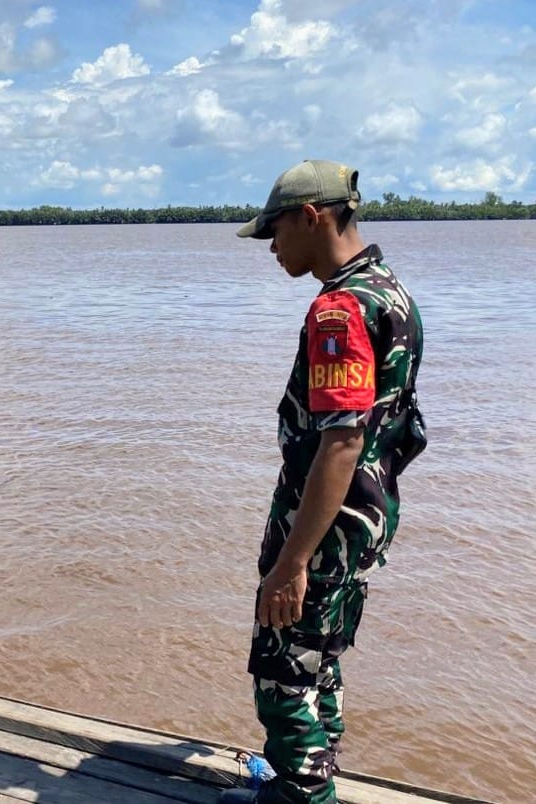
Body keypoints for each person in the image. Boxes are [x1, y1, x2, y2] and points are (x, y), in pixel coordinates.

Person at [220, 160, 426, 804]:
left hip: (324, 520)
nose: (272, 247)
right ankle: (313, 777)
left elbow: (341, 442)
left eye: (275, 231)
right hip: (367, 513)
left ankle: (301, 795)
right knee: (320, 655)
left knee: (282, 670)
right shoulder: (391, 292)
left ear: (311, 217)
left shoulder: (339, 310)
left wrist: (292, 561)